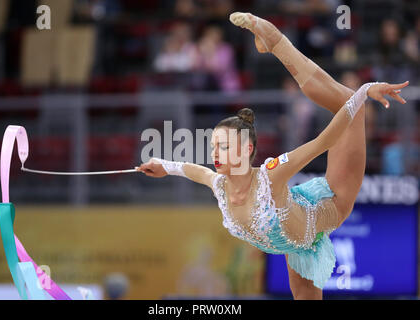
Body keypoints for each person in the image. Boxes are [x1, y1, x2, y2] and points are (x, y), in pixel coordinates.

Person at [137, 13, 409, 300]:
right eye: (214, 146)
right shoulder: (219, 185)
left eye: (224, 147)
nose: (215, 154)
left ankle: (275, 38)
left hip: (333, 202)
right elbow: (193, 170)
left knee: (350, 107)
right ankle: (274, 43)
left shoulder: (271, 175)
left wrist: (364, 91)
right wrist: (163, 166)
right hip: (296, 244)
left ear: (246, 149)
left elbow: (323, 141)